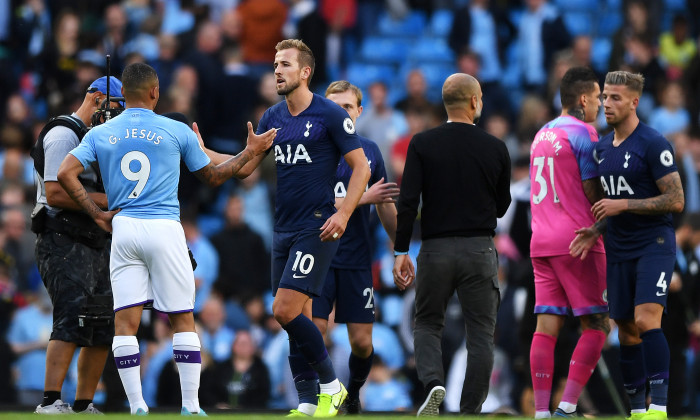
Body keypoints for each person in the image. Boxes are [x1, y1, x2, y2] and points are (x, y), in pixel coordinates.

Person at [56, 62, 276, 415]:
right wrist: (251, 152)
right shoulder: (174, 129)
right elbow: (216, 177)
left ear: (123, 95)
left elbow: (65, 173)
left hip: (124, 228)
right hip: (164, 226)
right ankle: (191, 405)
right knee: (182, 318)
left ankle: (137, 405)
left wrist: (97, 214)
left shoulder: (100, 134)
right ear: (156, 93)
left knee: (125, 323)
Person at [185, 39, 371, 417]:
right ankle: (306, 401)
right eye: (274, 64)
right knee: (293, 316)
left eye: (285, 64)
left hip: (316, 227)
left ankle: (332, 387)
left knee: (283, 309)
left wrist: (345, 213)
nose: (277, 70)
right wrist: (202, 150)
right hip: (282, 229)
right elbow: (247, 165)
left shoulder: (330, 115)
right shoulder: (273, 117)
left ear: (305, 72)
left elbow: (362, 167)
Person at [392, 73, 511, 416]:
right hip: (479, 250)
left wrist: (401, 251)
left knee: (427, 322)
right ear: (475, 102)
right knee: (480, 335)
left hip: (436, 249)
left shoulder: (422, 143)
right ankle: (470, 409)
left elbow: (408, 202)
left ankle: (433, 384)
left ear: (445, 103)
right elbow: (502, 206)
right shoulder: (496, 147)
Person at [571, 71, 685, 420]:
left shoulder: (653, 143)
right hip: (618, 247)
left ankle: (659, 407)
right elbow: (610, 205)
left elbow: (676, 199)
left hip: (654, 243)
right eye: (605, 96)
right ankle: (637, 411)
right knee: (624, 325)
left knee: (646, 318)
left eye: (616, 98)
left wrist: (624, 205)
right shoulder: (602, 149)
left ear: (635, 102)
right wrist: (596, 230)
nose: (606, 103)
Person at [286, 80, 398, 415]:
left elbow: (385, 204)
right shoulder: (312, 148)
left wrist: (400, 249)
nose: (340, 112)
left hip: (356, 258)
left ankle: (353, 393)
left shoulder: (370, 151)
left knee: (362, 342)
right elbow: (317, 201)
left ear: (358, 112)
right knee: (316, 329)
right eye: (334, 106)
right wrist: (366, 197)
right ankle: (323, 395)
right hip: (317, 253)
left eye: (347, 107)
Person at [31, 76, 123, 415]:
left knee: (102, 322)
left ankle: (84, 404)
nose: (118, 114)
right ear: (98, 98)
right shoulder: (63, 134)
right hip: (61, 237)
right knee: (70, 313)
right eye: (116, 106)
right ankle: (50, 400)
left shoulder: (101, 138)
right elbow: (55, 192)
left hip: (96, 240)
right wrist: (110, 200)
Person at [528, 67, 609, 418]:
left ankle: (542, 411)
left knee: (546, 326)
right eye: (598, 98)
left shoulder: (540, 134)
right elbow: (594, 193)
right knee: (598, 324)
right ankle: (567, 406)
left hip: (541, 240)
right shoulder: (584, 133)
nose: (600, 106)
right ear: (583, 99)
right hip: (578, 240)